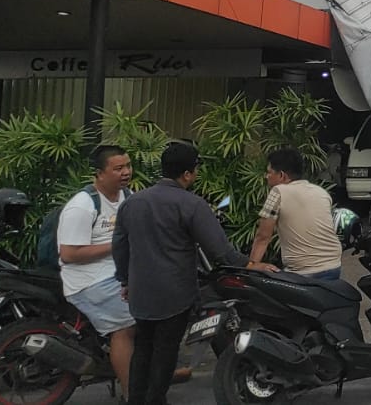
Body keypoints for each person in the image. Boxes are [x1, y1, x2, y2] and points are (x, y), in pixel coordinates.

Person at [112, 142, 269, 405]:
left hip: (141, 292)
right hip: (174, 293)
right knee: (165, 351)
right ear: (187, 174)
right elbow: (220, 251)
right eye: (195, 169)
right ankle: (154, 400)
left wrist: (126, 281)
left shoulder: (132, 202)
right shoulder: (192, 204)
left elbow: (120, 247)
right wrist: (252, 265)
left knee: (143, 349)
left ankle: (136, 400)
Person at [56, 146, 135, 393]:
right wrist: (115, 245)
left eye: (128, 166)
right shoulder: (82, 205)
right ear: (100, 173)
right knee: (127, 325)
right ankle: (133, 393)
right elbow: (68, 254)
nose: (126, 172)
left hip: (118, 274)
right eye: (118, 168)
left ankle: (152, 372)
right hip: (88, 281)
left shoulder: (128, 197)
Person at [248, 147, 342, 280]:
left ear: (282, 175)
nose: (266, 176)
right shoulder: (321, 193)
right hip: (334, 266)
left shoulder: (278, 191)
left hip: (304, 272)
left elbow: (262, 236)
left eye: (269, 172)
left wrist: (251, 265)